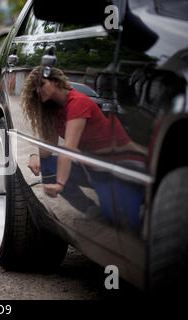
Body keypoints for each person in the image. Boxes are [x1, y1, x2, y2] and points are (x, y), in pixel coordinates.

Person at [20, 66, 146, 220]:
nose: (38, 91)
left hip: (119, 163)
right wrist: (35, 156)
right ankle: (91, 209)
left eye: (42, 85)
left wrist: (60, 184)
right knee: (47, 164)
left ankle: (141, 197)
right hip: (93, 166)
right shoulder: (54, 110)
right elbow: (47, 151)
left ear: (56, 82)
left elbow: (69, 149)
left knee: (124, 220)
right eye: (35, 90)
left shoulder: (77, 102)